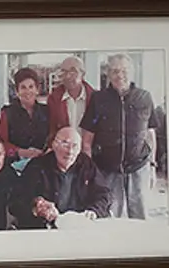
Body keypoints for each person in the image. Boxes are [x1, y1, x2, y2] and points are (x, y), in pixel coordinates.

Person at [80, 53, 158, 219]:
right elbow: (87, 138)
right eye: (114, 71)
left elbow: (150, 134)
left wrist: (152, 166)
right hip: (107, 169)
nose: (119, 75)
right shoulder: (98, 98)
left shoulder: (145, 97)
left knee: (141, 215)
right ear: (107, 74)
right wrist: (89, 170)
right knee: (110, 214)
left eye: (124, 70)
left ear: (133, 72)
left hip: (139, 167)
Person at [11, 126, 111, 229]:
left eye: (75, 146)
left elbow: (103, 194)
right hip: (44, 230)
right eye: (65, 144)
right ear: (54, 145)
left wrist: (94, 211)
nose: (70, 152)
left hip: (79, 228)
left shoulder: (86, 165)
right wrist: (36, 207)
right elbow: (16, 202)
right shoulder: (37, 166)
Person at [0, 67, 50, 164]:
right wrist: (21, 152)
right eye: (23, 87)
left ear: (37, 89)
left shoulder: (47, 111)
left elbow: (53, 137)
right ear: (17, 92)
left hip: (43, 163)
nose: (28, 91)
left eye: (31, 87)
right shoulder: (7, 113)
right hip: (15, 163)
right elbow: (0, 143)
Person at [46, 56, 95, 143]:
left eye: (73, 71)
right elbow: (52, 131)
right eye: (64, 71)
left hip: (90, 152)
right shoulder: (54, 99)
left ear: (83, 74)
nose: (68, 76)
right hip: (64, 152)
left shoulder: (95, 98)